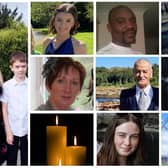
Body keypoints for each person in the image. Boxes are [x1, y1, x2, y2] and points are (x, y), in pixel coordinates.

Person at [0, 51, 28, 165]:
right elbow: (4, 111)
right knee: (11, 160)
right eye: (17, 67)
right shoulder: (7, 87)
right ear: (11, 68)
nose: (20, 69)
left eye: (23, 66)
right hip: (12, 130)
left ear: (27, 66)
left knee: (27, 161)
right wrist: (8, 131)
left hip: (27, 130)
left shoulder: (33, 85)